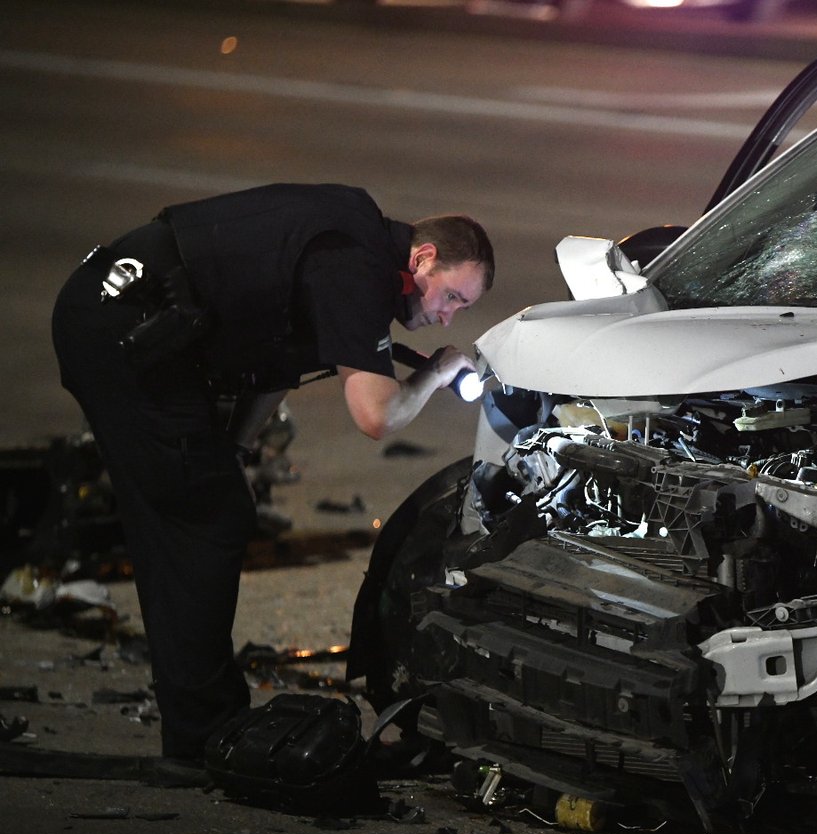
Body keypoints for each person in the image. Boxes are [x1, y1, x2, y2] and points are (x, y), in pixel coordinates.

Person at [50, 183, 494, 773]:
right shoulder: (355, 265)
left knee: (204, 504)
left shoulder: (352, 252)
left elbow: (276, 360)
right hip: (122, 328)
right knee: (203, 517)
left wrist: (231, 447)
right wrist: (436, 371)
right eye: (453, 297)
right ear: (423, 260)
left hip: (133, 323)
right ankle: (201, 731)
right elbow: (377, 415)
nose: (447, 314)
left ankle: (197, 718)